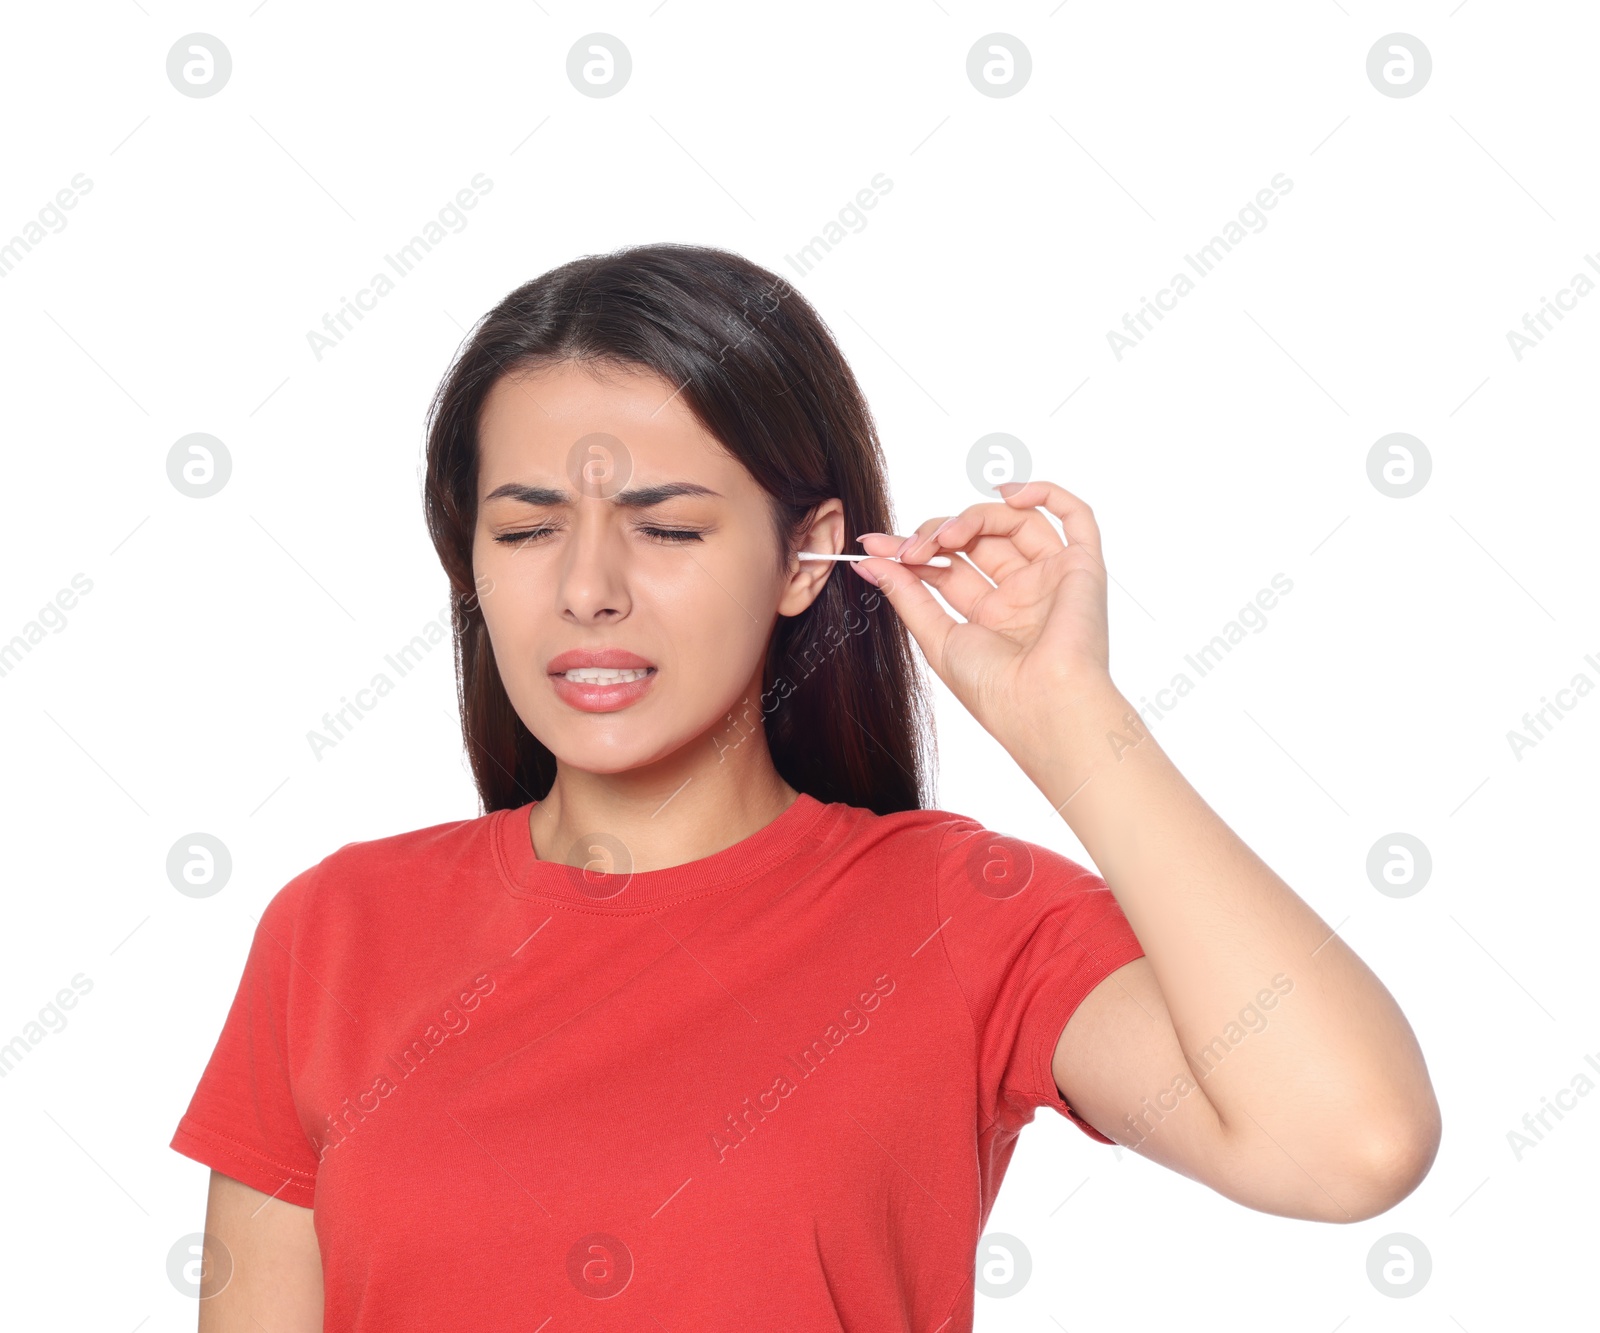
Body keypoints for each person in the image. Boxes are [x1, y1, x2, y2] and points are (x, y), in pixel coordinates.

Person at [169, 243, 1441, 1330]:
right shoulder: (334, 928)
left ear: (799, 559)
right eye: (525, 527)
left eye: (669, 528)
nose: (589, 588)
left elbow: (1350, 1143)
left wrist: (1069, 721)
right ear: (470, 565)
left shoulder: (958, 912)